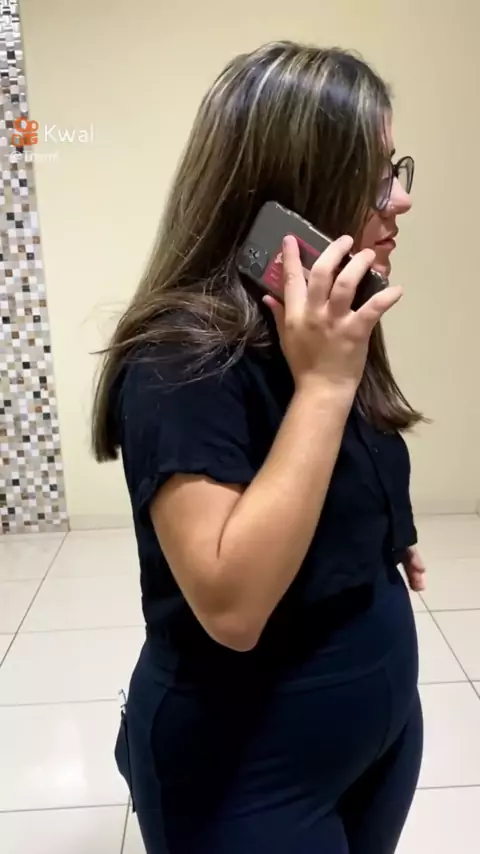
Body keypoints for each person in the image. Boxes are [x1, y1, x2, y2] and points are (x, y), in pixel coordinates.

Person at [92, 40, 427, 854]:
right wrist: (323, 388)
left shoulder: (320, 312)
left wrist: (383, 529)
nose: (400, 200)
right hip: (248, 763)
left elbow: (333, 461)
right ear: (294, 186)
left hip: (375, 726)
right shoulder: (177, 357)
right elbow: (233, 607)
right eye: (374, 175)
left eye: (394, 169)